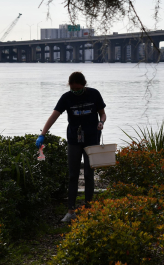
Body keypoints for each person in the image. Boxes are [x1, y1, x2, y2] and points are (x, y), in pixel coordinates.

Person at [35, 72, 106, 222]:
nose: (76, 92)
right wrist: (43, 134)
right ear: (70, 87)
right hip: (74, 139)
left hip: (92, 138)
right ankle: (70, 211)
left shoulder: (94, 94)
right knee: (73, 175)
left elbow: (103, 114)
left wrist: (101, 122)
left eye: (79, 90)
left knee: (88, 175)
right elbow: (53, 116)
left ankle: (89, 209)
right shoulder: (66, 97)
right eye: (73, 90)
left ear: (84, 85)